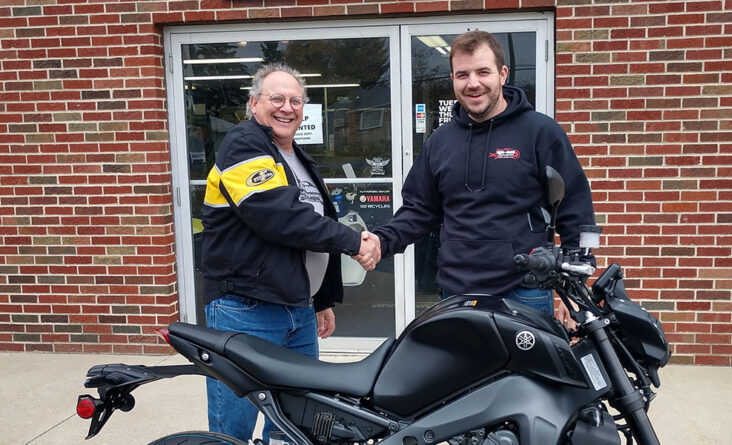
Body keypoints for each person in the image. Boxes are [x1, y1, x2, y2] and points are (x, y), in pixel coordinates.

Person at [360, 30, 596, 323]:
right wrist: (383, 241)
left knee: (528, 372)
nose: (473, 83)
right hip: (456, 293)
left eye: (483, 72)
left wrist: (576, 291)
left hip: (524, 291)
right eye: (463, 74)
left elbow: (577, 210)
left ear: (502, 74)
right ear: (453, 80)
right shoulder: (440, 142)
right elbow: (419, 210)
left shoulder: (541, 133)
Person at [200, 63, 379, 442]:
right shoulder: (243, 144)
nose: (287, 107)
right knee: (234, 426)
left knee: (296, 419)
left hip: (296, 309)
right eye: (276, 98)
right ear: (253, 103)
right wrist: (353, 242)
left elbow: (310, 229)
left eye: (295, 100)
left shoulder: (297, 157)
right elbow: (279, 217)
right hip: (246, 308)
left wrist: (320, 300)